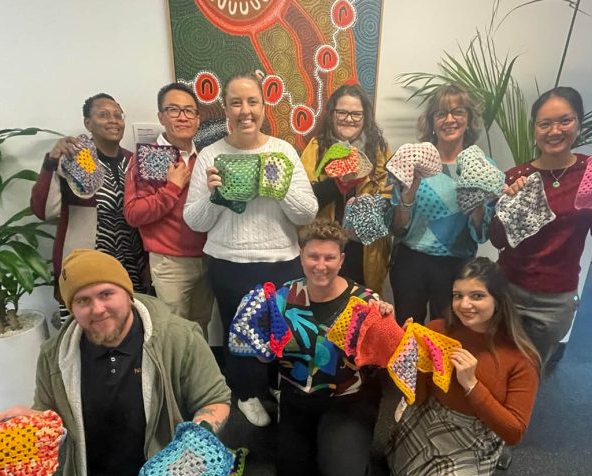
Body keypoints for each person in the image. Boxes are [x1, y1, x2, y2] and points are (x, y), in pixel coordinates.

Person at [0, 249, 230, 476]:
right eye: (83, 300)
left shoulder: (178, 336)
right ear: (71, 308)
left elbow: (216, 399)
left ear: (127, 294)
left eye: (106, 294)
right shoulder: (56, 355)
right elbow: (49, 418)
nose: (97, 309)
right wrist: (29, 426)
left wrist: (200, 434)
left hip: (174, 464)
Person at [387, 257, 540, 476]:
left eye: (477, 296)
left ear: (498, 300)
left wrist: (472, 385)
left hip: (475, 436)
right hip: (430, 418)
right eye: (458, 295)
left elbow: (514, 432)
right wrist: (410, 358)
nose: (464, 304)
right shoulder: (437, 329)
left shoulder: (521, 358)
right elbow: (421, 395)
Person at [184, 73, 319, 427]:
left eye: (252, 102)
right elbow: (195, 221)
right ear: (225, 108)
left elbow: (307, 212)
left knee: (281, 331)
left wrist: (277, 187)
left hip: (281, 260)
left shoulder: (283, 151)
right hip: (230, 262)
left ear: (264, 105)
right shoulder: (211, 155)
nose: (245, 111)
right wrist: (217, 198)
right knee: (237, 333)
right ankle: (245, 393)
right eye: (236, 102)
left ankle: (275, 384)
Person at [489, 86, 592, 365]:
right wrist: (510, 206)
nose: (555, 131)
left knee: (530, 371)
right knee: (495, 363)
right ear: (535, 129)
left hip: (555, 299)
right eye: (545, 124)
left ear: (579, 122)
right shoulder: (517, 176)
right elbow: (497, 239)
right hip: (508, 288)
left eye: (565, 120)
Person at [263, 219, 393, 476]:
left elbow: (386, 358)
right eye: (313, 256)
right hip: (297, 395)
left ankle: (349, 441)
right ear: (301, 256)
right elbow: (263, 352)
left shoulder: (365, 301)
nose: (320, 265)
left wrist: (385, 327)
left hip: (346, 399)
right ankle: (319, 440)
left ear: (342, 259)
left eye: (329, 257)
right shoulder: (282, 298)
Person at [31, 93, 151, 322]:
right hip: (87, 263)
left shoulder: (132, 160)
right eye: (103, 115)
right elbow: (43, 211)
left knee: (130, 326)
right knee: (88, 328)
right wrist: (52, 161)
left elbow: (143, 215)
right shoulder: (79, 158)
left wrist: (147, 261)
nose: (113, 120)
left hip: (130, 265)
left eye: (118, 115)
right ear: (88, 123)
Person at [389, 84, 490, 324]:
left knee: (444, 335)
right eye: (441, 113)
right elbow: (397, 228)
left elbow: (482, 234)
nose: (450, 119)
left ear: (469, 119)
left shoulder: (482, 166)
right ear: (432, 121)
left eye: (458, 112)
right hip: (410, 263)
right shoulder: (412, 160)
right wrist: (407, 196)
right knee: (406, 331)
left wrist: (477, 203)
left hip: (456, 266)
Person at [124, 82, 212, 335]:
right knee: (173, 332)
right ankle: (175, 376)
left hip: (206, 258)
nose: (182, 117)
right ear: (161, 116)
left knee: (200, 327)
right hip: (171, 262)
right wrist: (171, 188)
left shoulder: (204, 158)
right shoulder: (151, 156)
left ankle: (197, 375)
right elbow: (134, 214)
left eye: (189, 111)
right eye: (174, 110)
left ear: (198, 119)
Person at [299, 84, 392, 293]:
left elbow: (390, 200)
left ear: (365, 117)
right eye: (342, 112)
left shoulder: (380, 150)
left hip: (365, 251)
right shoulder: (316, 148)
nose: (349, 119)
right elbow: (302, 202)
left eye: (356, 114)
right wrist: (337, 184)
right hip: (324, 249)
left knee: (362, 311)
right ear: (332, 114)